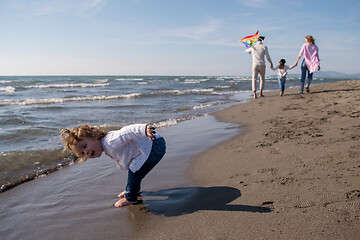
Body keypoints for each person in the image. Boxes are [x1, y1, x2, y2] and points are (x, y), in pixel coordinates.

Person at [60, 123, 166, 207]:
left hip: (154, 146)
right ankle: (133, 189)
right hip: (151, 146)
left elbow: (126, 132)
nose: (86, 152)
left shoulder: (110, 141)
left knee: (134, 172)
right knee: (134, 172)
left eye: (85, 146)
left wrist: (144, 129)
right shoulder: (106, 146)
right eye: (83, 153)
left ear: (94, 135)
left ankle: (131, 197)